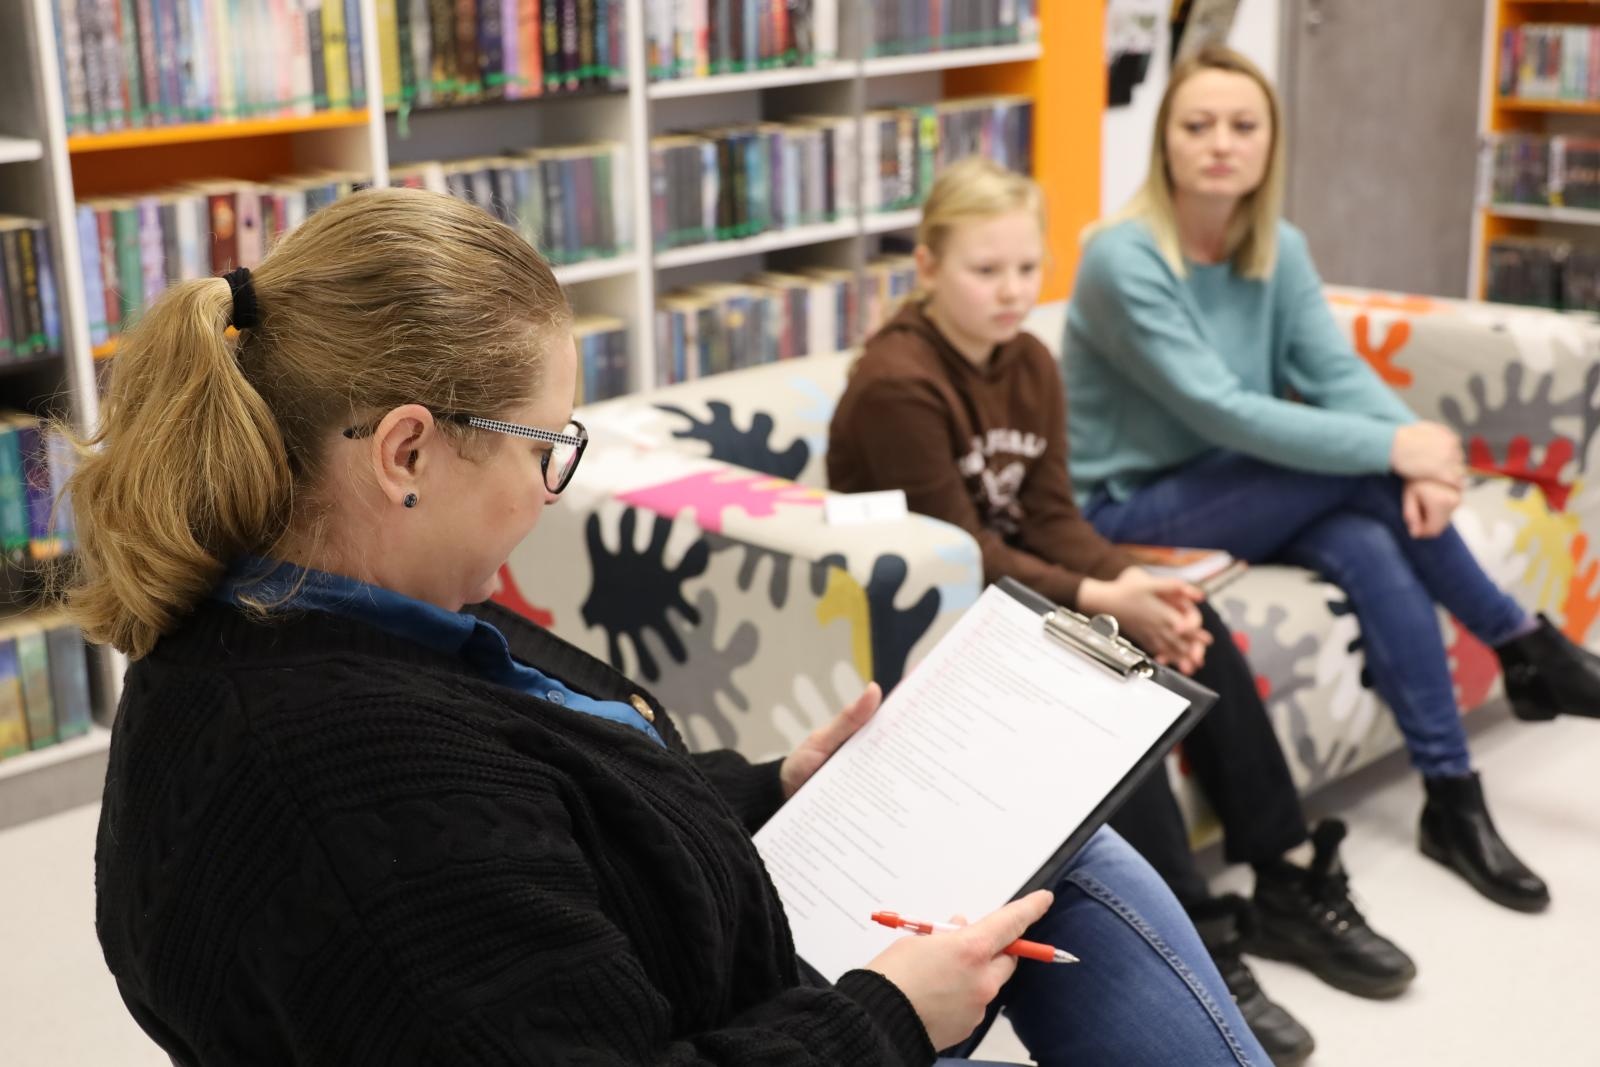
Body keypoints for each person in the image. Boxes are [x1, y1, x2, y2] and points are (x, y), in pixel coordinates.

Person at [72, 187, 1269, 1066]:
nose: (554, 491)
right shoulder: (343, 789)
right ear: (406, 450)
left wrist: (771, 782)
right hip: (773, 1019)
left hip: (728, 973)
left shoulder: (310, 620)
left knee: (1052, 845)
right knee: (1073, 870)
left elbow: (543, 818)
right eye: (549, 447)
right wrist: (890, 1016)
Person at [827, 157, 1413, 1067]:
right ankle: (1206, 940)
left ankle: (1284, 877)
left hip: (1017, 598)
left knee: (1189, 623)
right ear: (929, 266)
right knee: (1104, 695)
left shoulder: (1026, 360)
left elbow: (1053, 512)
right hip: (938, 623)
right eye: (987, 271)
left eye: (1028, 268)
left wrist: (1139, 590)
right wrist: (1107, 599)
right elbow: (960, 552)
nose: (1014, 291)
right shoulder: (898, 383)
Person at [1065, 44, 1600, 919]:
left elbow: (1336, 371)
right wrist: (1400, 454)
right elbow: (1225, 410)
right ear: (1164, 142)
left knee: (1367, 533)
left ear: (1272, 142)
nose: (1221, 144)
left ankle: (1452, 795)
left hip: (1240, 489)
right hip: (1134, 508)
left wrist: (1420, 445)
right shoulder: (1122, 258)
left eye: (1244, 126)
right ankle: (1521, 644)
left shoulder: (1276, 247)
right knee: (1371, 482)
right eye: (1197, 125)